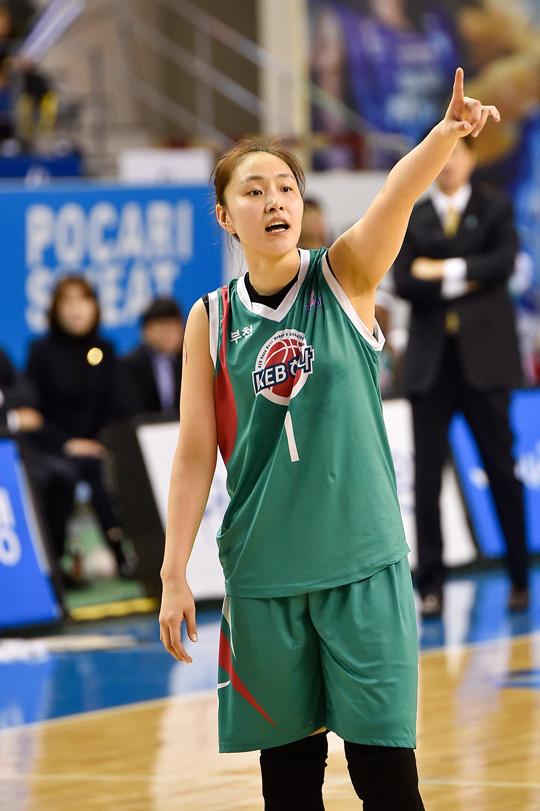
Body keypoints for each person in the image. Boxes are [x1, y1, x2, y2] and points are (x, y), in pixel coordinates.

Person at [159, 69, 499, 810]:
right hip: (263, 574)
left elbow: (395, 196)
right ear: (225, 215)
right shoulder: (209, 319)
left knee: (386, 776)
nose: (274, 200)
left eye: (285, 187)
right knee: (288, 783)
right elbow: (192, 454)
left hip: (360, 562)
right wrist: (173, 571)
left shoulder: (344, 276)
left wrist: (445, 135)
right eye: (254, 191)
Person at [393, 135, 529, 618]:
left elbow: (502, 264)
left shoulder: (495, 207)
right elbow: (405, 280)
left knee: (501, 470)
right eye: (442, 156)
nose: (448, 164)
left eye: (457, 154)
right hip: (431, 368)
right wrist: (468, 276)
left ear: (472, 158)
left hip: (485, 364)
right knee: (427, 480)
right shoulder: (414, 214)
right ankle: (431, 585)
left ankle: (519, 577)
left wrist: (441, 269)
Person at [26, 275, 134, 578]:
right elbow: (33, 413)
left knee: (102, 471)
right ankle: (54, 563)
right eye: (67, 300)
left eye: (83, 299)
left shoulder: (105, 350)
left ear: (95, 306)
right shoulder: (41, 351)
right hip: (53, 449)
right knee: (65, 474)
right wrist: (66, 444)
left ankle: (123, 556)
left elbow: (116, 407)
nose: (76, 308)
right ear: (55, 308)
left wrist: (102, 441)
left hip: (97, 447)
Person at [121, 297, 184, 417]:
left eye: (174, 326)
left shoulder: (189, 362)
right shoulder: (129, 365)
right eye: (163, 327)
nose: (170, 334)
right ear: (146, 331)